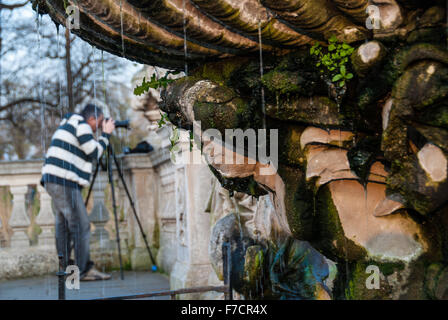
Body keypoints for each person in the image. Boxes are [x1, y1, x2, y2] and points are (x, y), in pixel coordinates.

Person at [40, 104, 115, 281]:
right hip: (64, 182)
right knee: (81, 225)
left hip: (54, 180)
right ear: (91, 118)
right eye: (99, 121)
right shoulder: (81, 124)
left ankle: (66, 268)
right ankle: (82, 271)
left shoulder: (69, 124)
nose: (99, 126)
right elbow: (93, 152)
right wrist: (106, 135)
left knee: (64, 226)